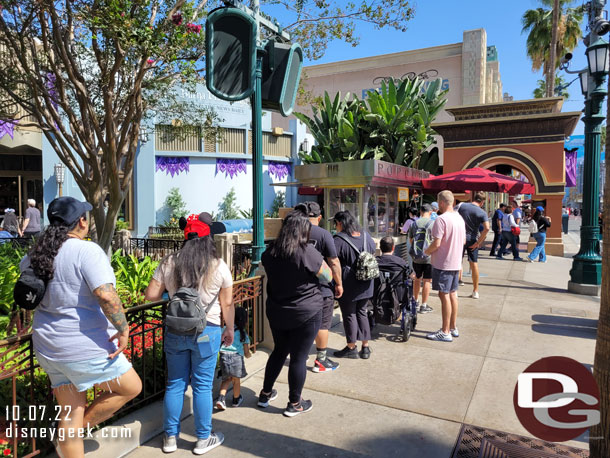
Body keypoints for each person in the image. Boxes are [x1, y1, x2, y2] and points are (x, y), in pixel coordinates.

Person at [19, 196, 142, 457]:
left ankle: (67, 436)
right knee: (132, 387)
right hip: (82, 347)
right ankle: (70, 434)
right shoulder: (87, 251)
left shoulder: (35, 254)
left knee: (71, 415)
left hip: (49, 347)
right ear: (82, 222)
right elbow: (106, 295)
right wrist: (123, 329)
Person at [145, 217, 234, 455]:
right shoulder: (218, 265)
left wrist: (172, 298)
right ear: (208, 239)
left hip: (175, 331)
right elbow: (228, 303)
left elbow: (150, 295)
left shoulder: (170, 262)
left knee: (175, 384)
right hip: (208, 331)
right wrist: (230, 329)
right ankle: (203, 439)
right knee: (203, 387)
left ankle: (170, 439)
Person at [259, 211, 332, 416]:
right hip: (306, 311)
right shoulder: (306, 252)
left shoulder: (270, 252)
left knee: (279, 351)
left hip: (277, 310)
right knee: (299, 358)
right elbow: (326, 276)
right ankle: (294, 403)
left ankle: (265, 394)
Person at [294, 201, 343, 373]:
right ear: (319, 217)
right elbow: (334, 262)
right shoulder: (323, 234)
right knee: (322, 324)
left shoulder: (293, 232)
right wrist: (339, 283)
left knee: (301, 323)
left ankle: (299, 357)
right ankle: (320, 360)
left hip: (297, 286)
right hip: (321, 287)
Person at [332, 210, 376, 359]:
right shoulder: (365, 235)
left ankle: (351, 347)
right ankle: (365, 347)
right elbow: (373, 250)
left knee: (349, 314)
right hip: (366, 281)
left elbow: (332, 261)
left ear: (339, 223)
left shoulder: (338, 239)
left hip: (348, 283)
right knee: (362, 312)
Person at [424, 190, 465, 342]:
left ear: (441, 203)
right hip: (455, 263)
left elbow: (436, 243)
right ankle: (453, 327)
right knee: (453, 294)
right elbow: (463, 241)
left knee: (444, 294)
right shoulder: (459, 218)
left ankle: (445, 330)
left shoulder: (441, 220)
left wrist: (426, 252)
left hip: (444, 263)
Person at [215, 307, 251, 410]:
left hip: (224, 357)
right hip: (237, 358)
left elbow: (218, 342)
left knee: (226, 379)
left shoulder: (224, 330)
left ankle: (221, 399)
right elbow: (246, 351)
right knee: (236, 380)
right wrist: (248, 355)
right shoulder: (243, 333)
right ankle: (236, 399)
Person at [457, 192, 490, 299]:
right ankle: (475, 291)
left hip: (459, 238)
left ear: (474, 198)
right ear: (482, 202)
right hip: (472, 239)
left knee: (457, 262)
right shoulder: (482, 212)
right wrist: (478, 242)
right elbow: (487, 228)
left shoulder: (461, 205)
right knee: (474, 264)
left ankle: (454, 289)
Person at [408, 204, 434, 314]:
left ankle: (416, 302)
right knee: (427, 280)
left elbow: (411, 240)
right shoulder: (433, 223)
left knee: (417, 279)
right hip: (429, 257)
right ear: (431, 212)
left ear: (420, 211)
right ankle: (424, 305)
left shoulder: (414, 223)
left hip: (416, 257)